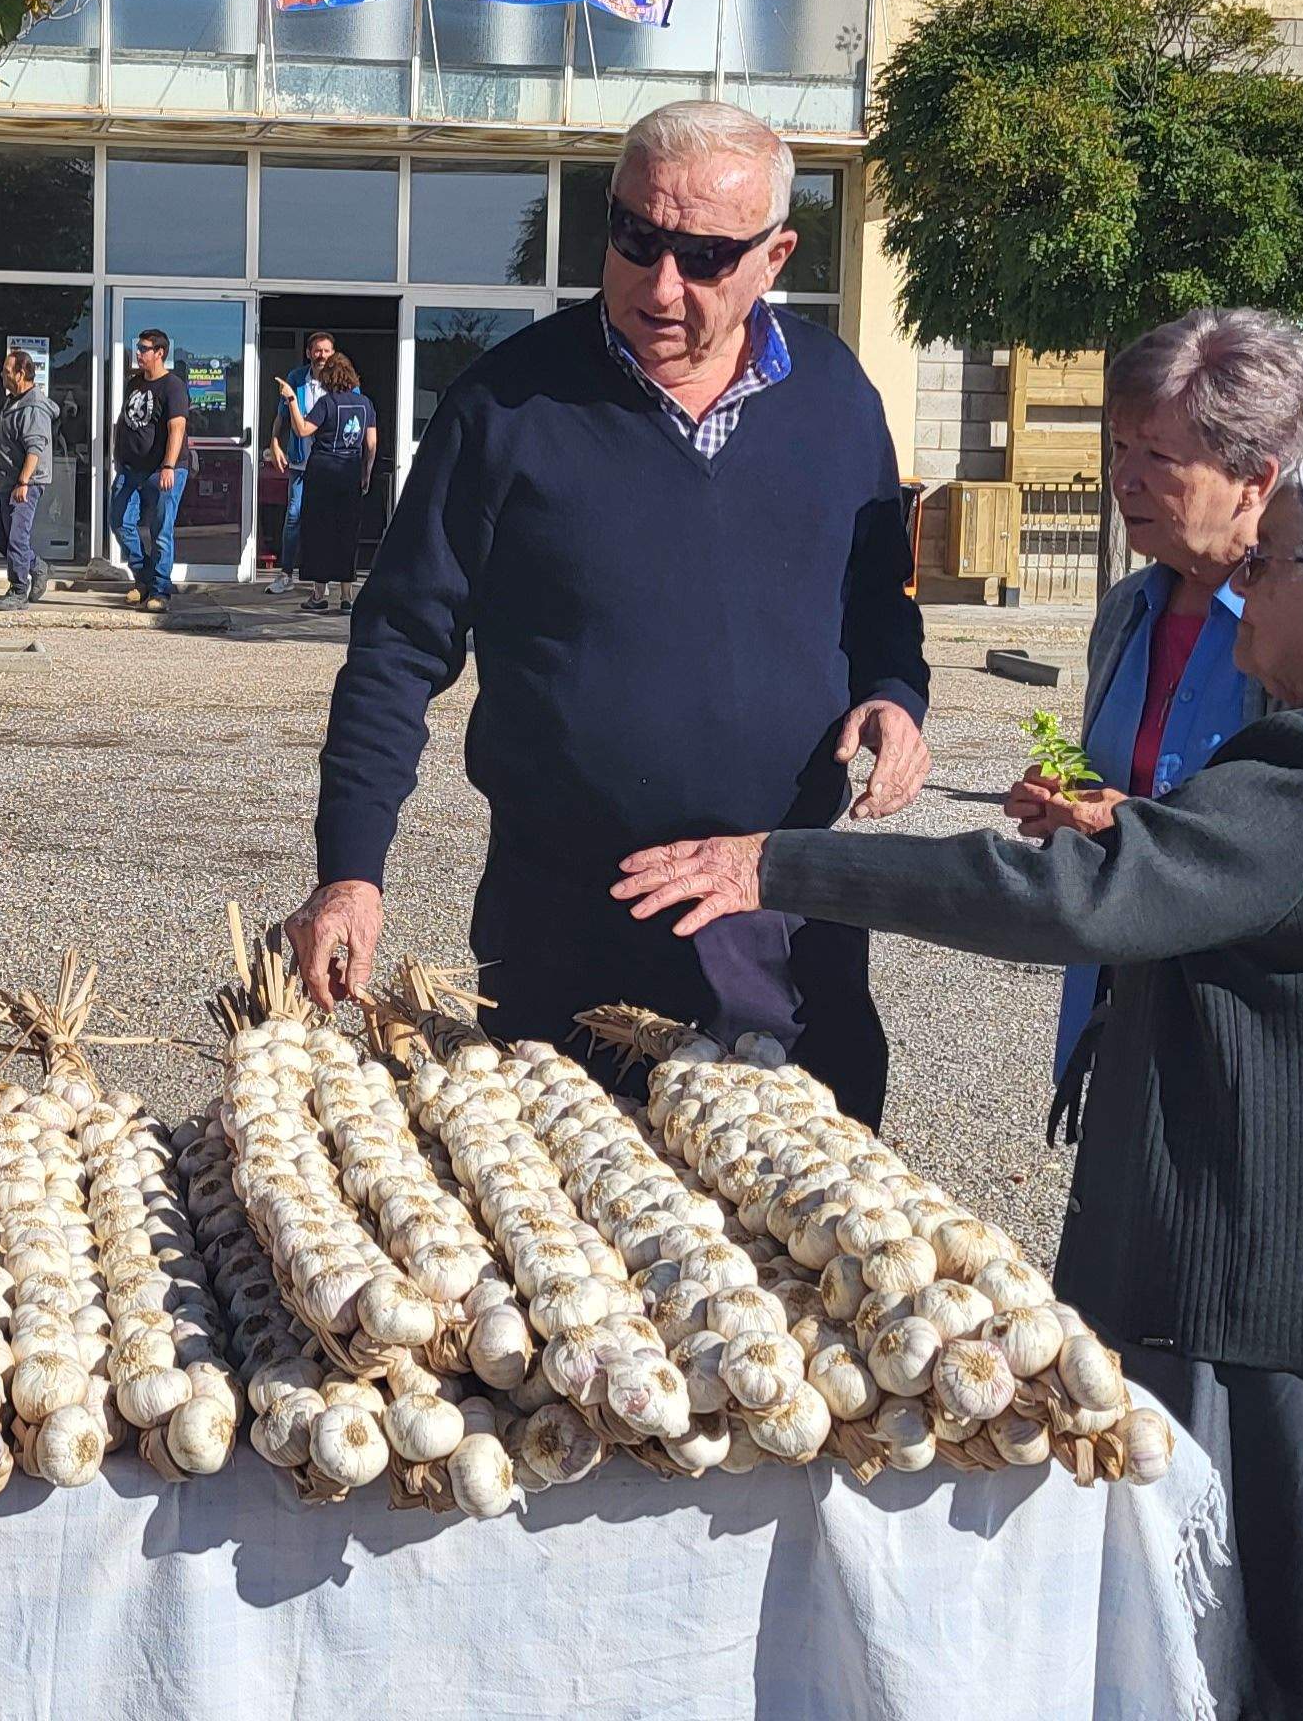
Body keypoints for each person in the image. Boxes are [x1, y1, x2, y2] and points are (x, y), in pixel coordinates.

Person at [614, 450, 1303, 1720]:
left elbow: (1061, 899)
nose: (1242, 580)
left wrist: (779, 866)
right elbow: (1279, 898)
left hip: (1280, 1304)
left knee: (1253, 1621)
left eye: (1272, 559)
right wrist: (1146, 832)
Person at [286, 98, 930, 1121]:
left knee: (813, 1236)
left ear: (776, 256)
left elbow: (876, 602)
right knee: (569, 1240)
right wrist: (349, 871)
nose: (661, 284)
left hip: (782, 908)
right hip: (569, 926)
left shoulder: (837, 398)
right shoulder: (505, 407)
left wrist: (895, 694)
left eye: (707, 257)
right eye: (636, 238)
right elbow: (397, 649)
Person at [1011, 308, 1303, 1103]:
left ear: (1256, 480)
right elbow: (1114, 777)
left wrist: (1123, 824)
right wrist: (1061, 790)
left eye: (1160, 456)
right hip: (1115, 1001)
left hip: (1230, 1027)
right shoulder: (1129, 609)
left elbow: (1293, 844)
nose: (1125, 477)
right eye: (1119, 447)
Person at [110, 329, 191, 614]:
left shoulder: (173, 386)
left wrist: (168, 465)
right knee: (119, 521)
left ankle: (160, 590)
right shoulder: (134, 383)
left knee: (161, 531)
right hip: (131, 469)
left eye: (144, 348)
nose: (139, 353)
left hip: (164, 470)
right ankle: (143, 577)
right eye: (138, 347)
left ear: (160, 352)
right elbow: (125, 422)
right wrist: (117, 457)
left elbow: (176, 427)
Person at [292, 354, 377, 615]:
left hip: (323, 472)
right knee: (347, 531)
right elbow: (371, 444)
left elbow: (303, 430)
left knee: (319, 531)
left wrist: (291, 401)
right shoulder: (365, 404)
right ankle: (347, 595)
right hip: (350, 470)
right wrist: (367, 472)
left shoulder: (327, 403)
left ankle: (319, 594)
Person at [0, 350, 53, 610]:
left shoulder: (33, 407)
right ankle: (36, 565)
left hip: (23, 485)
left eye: (7, 371)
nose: (2, 375)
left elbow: (35, 449)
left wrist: (23, 482)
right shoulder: (13, 401)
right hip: (2, 483)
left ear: (21, 374)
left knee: (17, 537)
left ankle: (19, 589)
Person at [272, 332, 340, 592]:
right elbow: (282, 415)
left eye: (326, 351)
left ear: (333, 353)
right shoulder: (296, 378)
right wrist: (275, 442)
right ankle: (286, 573)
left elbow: (357, 410)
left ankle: (323, 576)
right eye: (317, 350)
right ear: (309, 352)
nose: (321, 355)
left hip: (331, 462)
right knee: (294, 515)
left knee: (326, 518)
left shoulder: (341, 380)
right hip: (301, 460)